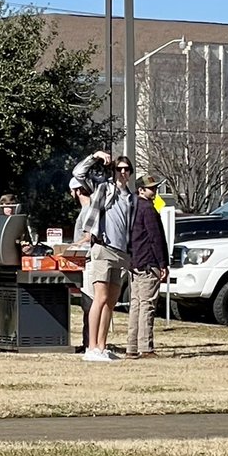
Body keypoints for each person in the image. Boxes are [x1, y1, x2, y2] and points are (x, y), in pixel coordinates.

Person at [72, 150, 136, 362]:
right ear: (113, 171)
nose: (123, 172)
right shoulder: (104, 188)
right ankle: (91, 348)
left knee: (111, 301)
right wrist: (95, 156)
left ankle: (102, 346)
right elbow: (78, 173)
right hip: (102, 248)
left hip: (121, 253)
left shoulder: (131, 198)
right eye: (119, 169)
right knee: (99, 298)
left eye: (127, 169)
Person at [127, 173, 169, 359]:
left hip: (135, 262)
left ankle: (131, 347)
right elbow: (155, 238)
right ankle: (146, 347)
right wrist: (163, 264)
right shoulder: (148, 209)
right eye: (151, 188)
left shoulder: (131, 207)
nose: (155, 190)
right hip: (148, 262)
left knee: (136, 305)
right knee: (147, 305)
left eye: (155, 187)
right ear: (141, 190)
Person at [68, 177, 94, 352]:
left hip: (91, 261)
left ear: (77, 191)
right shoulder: (86, 209)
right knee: (87, 303)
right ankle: (87, 342)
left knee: (90, 303)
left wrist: (75, 245)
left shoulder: (89, 210)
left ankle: (91, 344)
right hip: (85, 262)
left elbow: (90, 235)